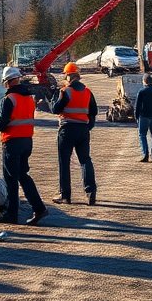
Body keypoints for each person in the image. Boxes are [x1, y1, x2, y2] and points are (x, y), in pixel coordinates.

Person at [0, 67, 48, 225]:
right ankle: (39, 208)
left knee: (11, 179)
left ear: (7, 82)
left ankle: (11, 214)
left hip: (12, 142)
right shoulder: (29, 98)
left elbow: (1, 125)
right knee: (23, 176)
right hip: (27, 141)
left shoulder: (8, 99)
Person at [46, 62, 98, 205]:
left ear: (69, 76)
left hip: (67, 129)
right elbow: (94, 112)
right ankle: (90, 191)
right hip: (83, 130)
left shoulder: (66, 91)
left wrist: (50, 99)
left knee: (64, 161)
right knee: (85, 160)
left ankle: (65, 195)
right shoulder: (88, 92)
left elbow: (56, 109)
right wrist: (88, 127)